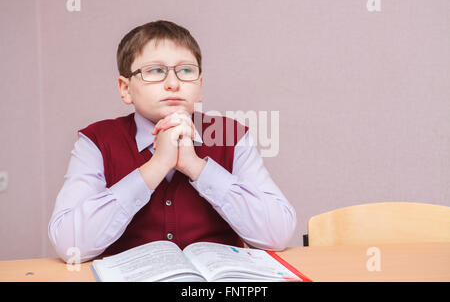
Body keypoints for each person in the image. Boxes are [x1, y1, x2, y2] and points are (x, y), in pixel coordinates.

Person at [48, 20, 296, 262]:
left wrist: (196, 166)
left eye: (186, 71)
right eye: (155, 71)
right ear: (125, 88)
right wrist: (156, 166)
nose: (173, 84)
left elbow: (278, 234)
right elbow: (70, 245)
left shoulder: (231, 135)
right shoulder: (95, 141)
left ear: (199, 86)